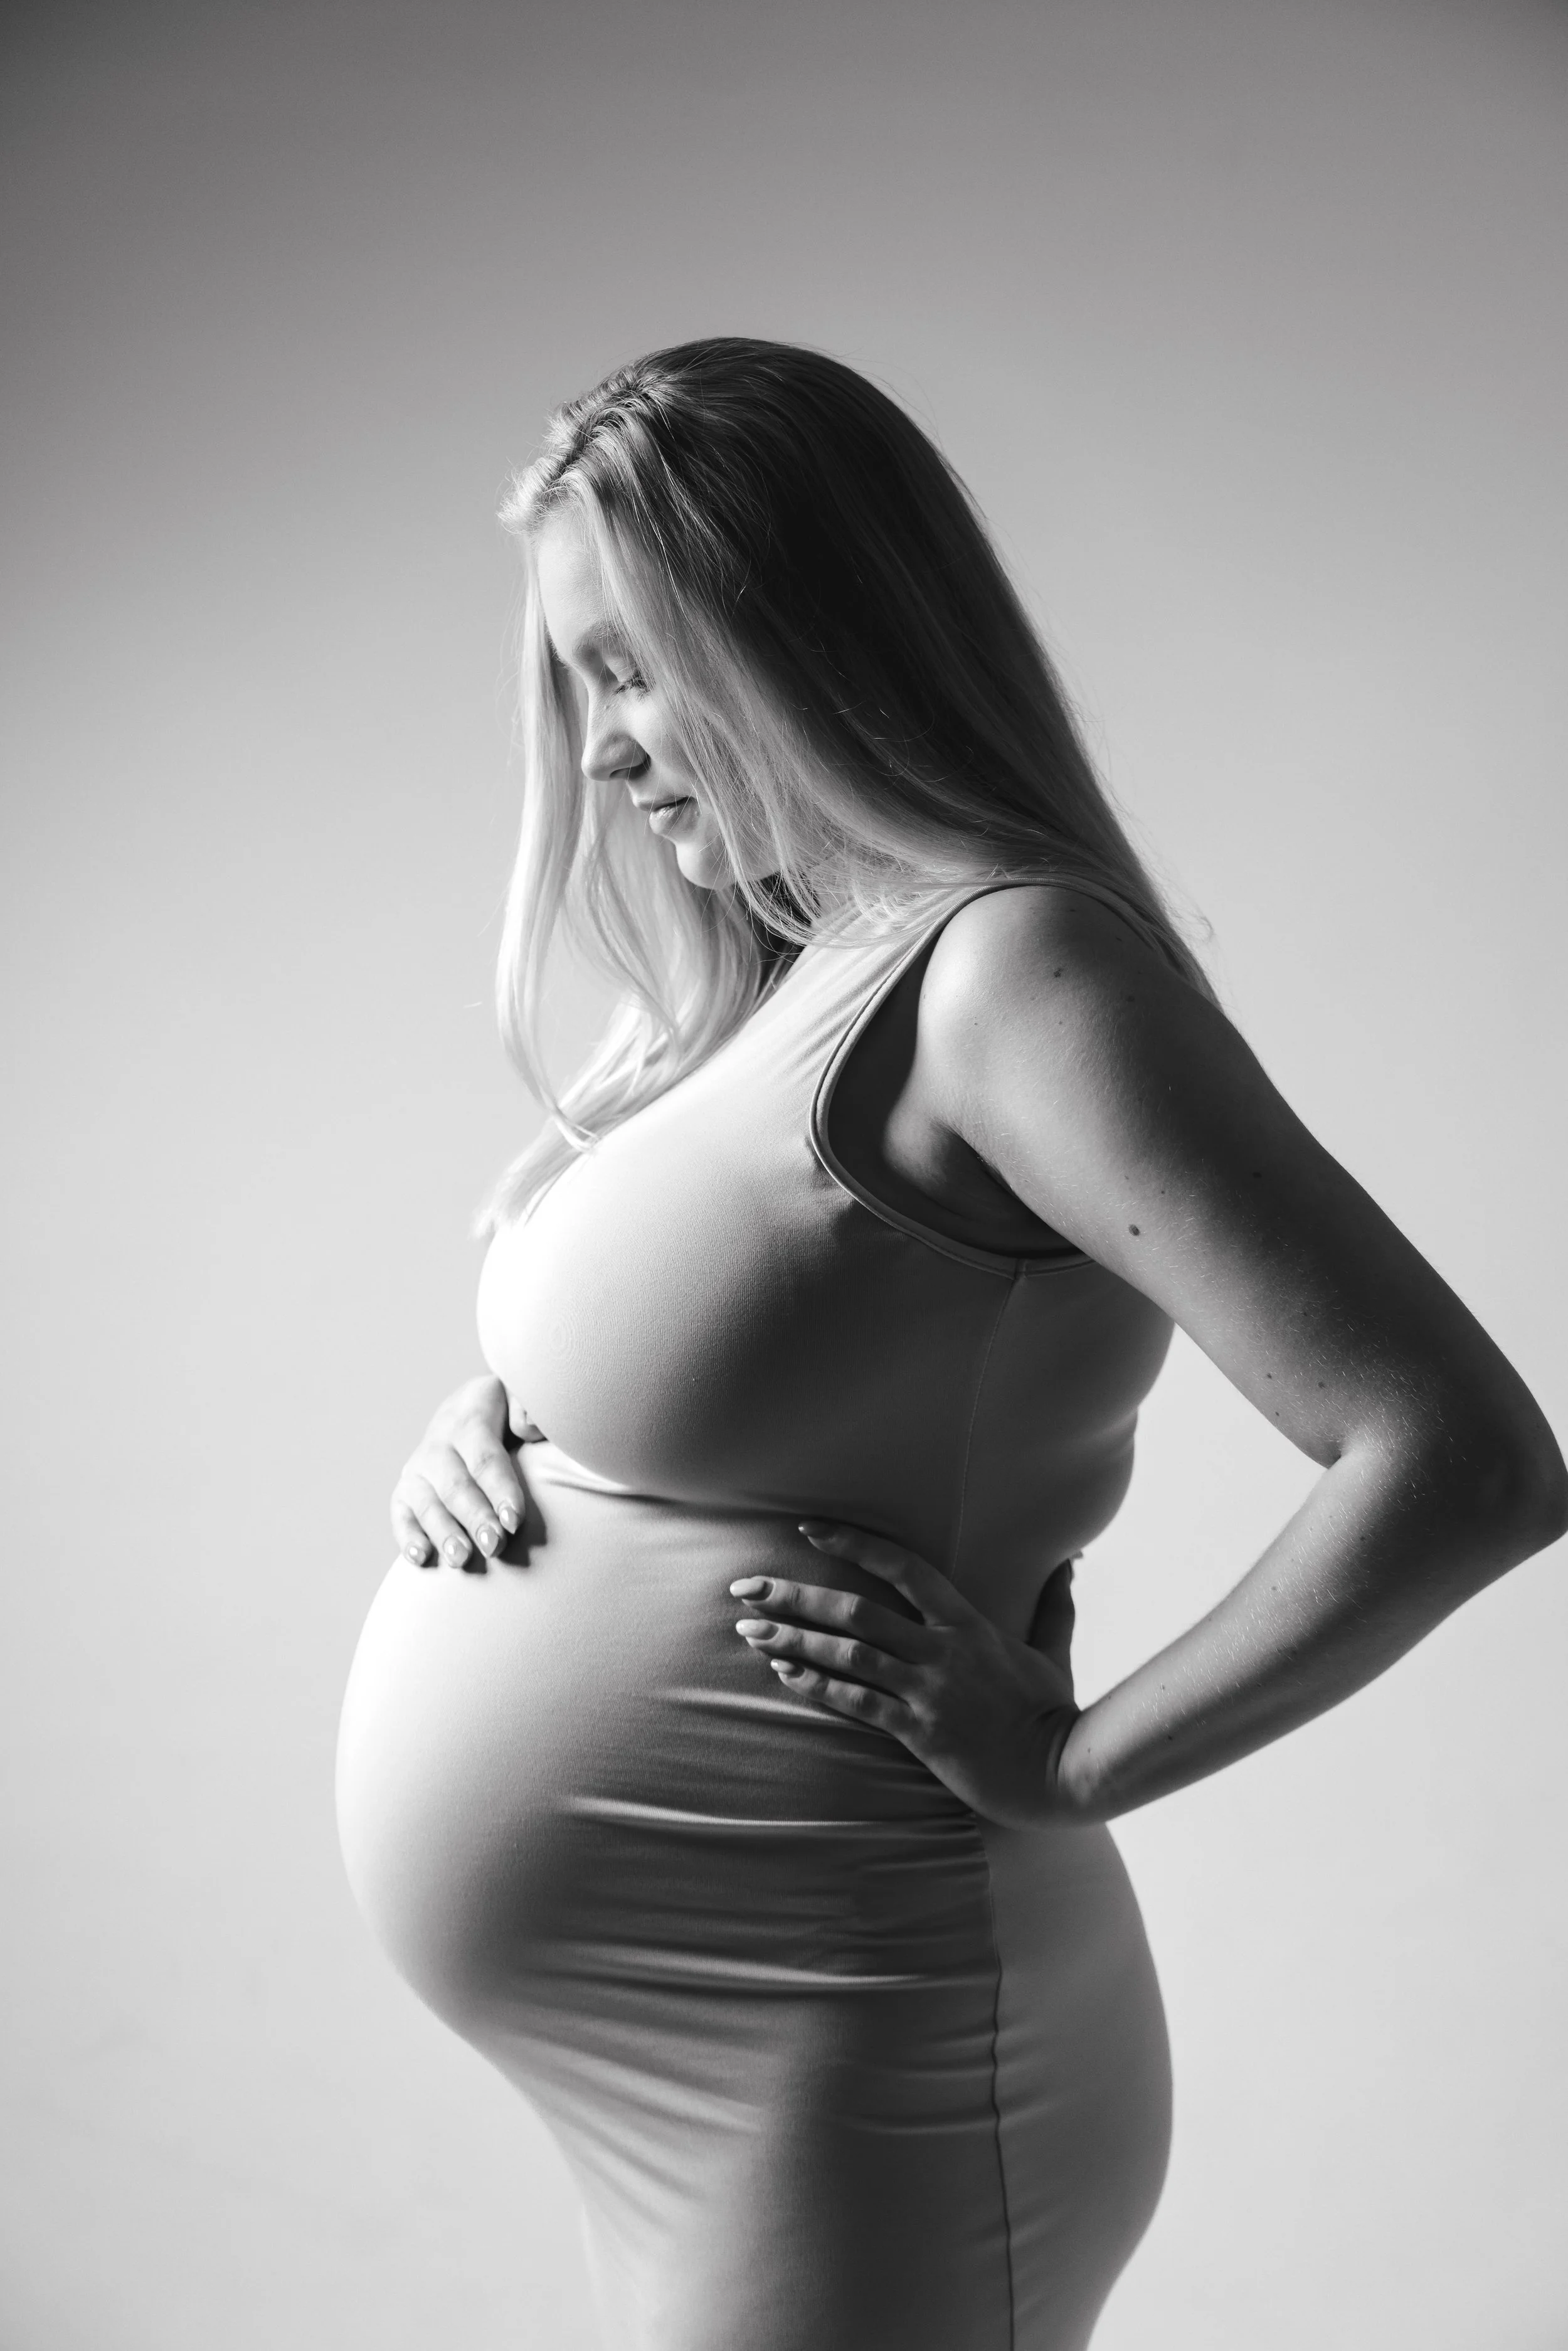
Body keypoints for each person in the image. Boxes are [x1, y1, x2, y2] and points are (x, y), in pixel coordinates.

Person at [334, 338, 1565, 2351]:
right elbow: (765, 1353)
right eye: (579, 682)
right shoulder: (769, 976)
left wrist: (1072, 1756)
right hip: (711, 2063)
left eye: (638, 667)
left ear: (797, 629)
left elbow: (1457, 1456)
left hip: (862, 2040)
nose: (609, 747)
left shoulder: (1011, 972)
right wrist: (497, 1437)